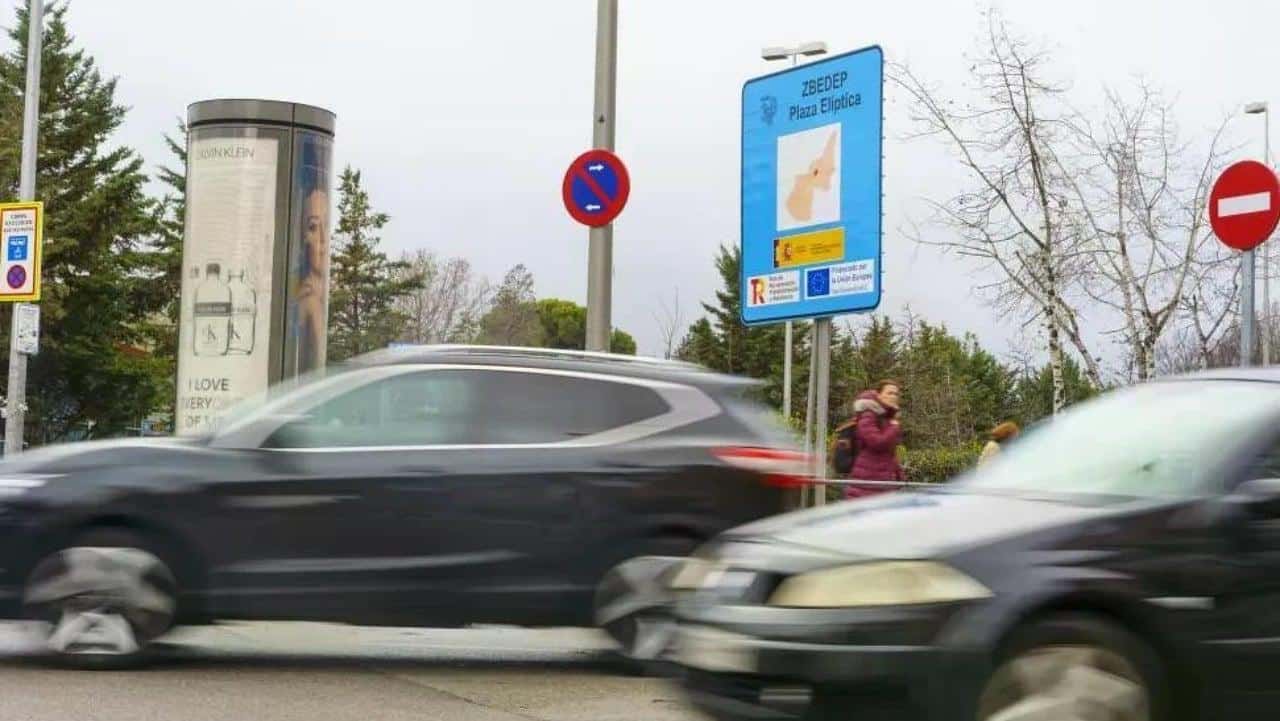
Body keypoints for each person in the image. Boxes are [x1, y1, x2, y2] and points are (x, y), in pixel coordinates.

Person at [845, 380, 904, 499]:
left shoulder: (886, 418)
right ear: (879, 395)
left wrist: (899, 476)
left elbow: (888, 453)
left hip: (880, 481)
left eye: (896, 394)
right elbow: (877, 442)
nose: (893, 397)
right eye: (889, 393)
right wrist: (894, 426)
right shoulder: (868, 415)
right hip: (867, 482)